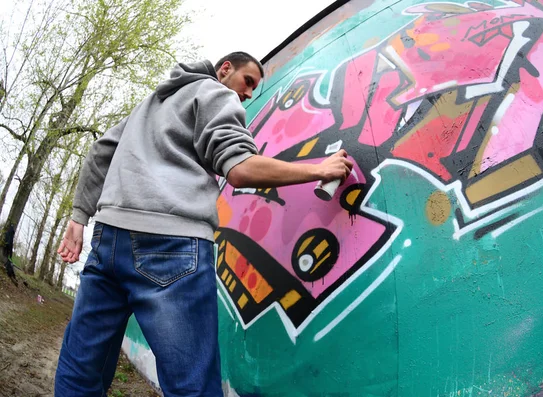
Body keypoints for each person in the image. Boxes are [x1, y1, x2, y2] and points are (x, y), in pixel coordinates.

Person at [54, 51, 353, 396]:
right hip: (170, 245)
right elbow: (240, 169)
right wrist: (320, 169)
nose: (248, 94)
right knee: (191, 386)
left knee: (80, 369)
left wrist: (79, 218)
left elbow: (99, 152)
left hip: (108, 241)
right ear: (225, 69)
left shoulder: (150, 104)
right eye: (248, 82)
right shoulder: (214, 92)